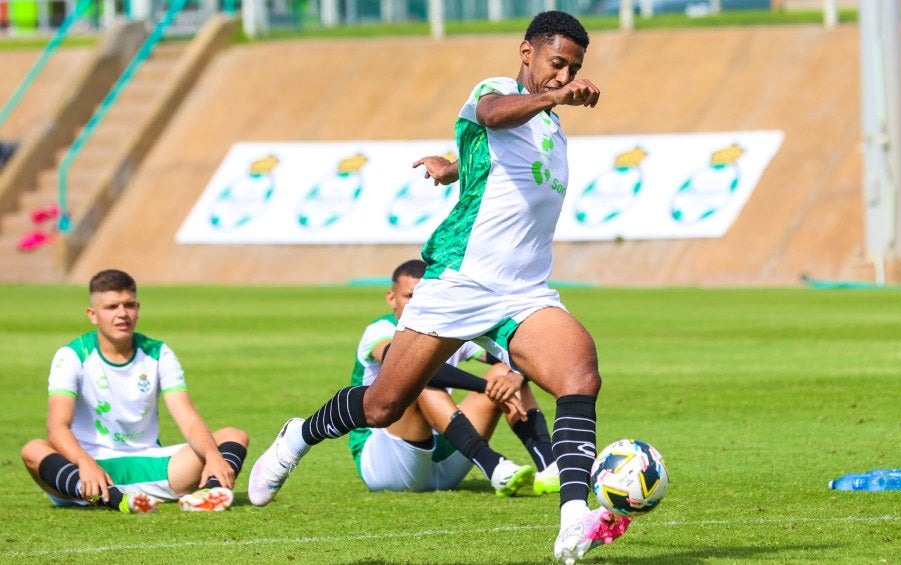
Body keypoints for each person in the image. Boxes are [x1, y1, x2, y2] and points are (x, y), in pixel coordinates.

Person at [249, 11, 628, 564]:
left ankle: (574, 517)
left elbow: (493, 161)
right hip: (459, 279)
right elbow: (492, 117)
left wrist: (453, 166)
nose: (562, 74)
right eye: (556, 63)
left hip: (524, 291)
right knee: (382, 407)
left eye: (572, 68)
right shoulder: (497, 90)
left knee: (580, 374)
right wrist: (556, 97)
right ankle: (297, 436)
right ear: (527, 52)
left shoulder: (551, 126)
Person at [20, 269, 249, 513]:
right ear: (93, 314)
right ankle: (115, 498)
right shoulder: (72, 356)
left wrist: (213, 456)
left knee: (233, 436)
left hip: (153, 465)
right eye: (111, 307)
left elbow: (189, 420)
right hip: (88, 471)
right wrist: (84, 462)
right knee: (33, 449)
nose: (122, 314)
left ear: (137, 308)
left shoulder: (159, 353)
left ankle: (209, 493)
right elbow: (57, 427)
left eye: (129, 305)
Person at [346, 259, 561, 494]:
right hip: (388, 462)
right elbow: (407, 367)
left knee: (506, 373)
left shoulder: (450, 330)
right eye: (410, 296)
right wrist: (483, 385)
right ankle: (493, 465)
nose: (417, 305)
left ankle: (549, 467)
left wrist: (515, 377)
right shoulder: (380, 330)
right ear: (391, 298)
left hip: (446, 452)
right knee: (415, 378)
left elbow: (524, 358)